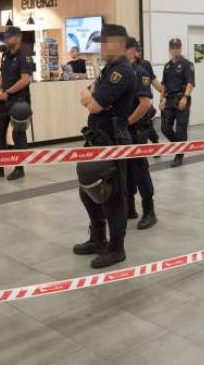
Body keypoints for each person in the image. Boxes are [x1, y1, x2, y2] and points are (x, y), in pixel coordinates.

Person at [73, 24, 137, 268]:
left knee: (112, 194)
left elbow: (93, 105)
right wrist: (92, 96)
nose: (100, 46)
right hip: (97, 138)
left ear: (118, 44)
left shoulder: (122, 72)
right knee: (87, 189)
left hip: (114, 139)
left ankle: (116, 247)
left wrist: (93, 98)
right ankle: (98, 238)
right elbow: (86, 96)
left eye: (105, 42)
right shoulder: (109, 70)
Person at [0, 26, 33, 181]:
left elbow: (25, 79)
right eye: (5, 37)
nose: (6, 40)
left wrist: (8, 92)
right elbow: (2, 75)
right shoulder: (5, 55)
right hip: (4, 101)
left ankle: (19, 168)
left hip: (19, 102)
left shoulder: (24, 55)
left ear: (18, 38)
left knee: (18, 135)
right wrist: (0, 90)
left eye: (9, 37)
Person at [125, 37, 158, 229]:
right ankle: (129, 206)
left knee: (139, 168)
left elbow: (145, 104)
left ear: (135, 52)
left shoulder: (141, 73)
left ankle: (149, 210)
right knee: (125, 168)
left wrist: (128, 121)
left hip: (136, 128)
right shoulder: (121, 72)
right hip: (123, 129)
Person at [155, 38, 195, 167]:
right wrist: (161, 100)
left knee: (181, 128)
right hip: (170, 100)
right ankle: (180, 147)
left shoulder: (187, 64)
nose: (175, 50)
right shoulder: (167, 66)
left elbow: (190, 83)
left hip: (182, 99)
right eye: (173, 48)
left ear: (181, 48)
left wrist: (185, 97)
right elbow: (164, 85)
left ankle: (179, 156)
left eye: (177, 47)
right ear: (170, 49)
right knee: (164, 128)